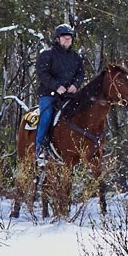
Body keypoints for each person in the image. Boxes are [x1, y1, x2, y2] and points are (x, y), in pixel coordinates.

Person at [33, 23, 85, 162]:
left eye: (70, 38)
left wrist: (75, 84)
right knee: (46, 117)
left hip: (70, 95)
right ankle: (39, 149)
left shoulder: (76, 57)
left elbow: (81, 73)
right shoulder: (47, 55)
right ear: (57, 39)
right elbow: (42, 73)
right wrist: (56, 86)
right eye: (64, 38)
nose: (67, 40)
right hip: (49, 95)